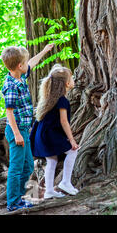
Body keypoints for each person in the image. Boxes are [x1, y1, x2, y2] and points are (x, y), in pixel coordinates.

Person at [1, 44, 54, 211]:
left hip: (24, 130)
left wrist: (44, 51)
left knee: (29, 166)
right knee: (16, 168)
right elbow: (9, 113)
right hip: (16, 132)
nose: (28, 65)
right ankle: (13, 203)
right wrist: (17, 134)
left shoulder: (20, 77)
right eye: (25, 62)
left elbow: (31, 63)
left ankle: (20, 197)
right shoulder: (11, 86)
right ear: (19, 66)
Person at [30, 64, 79, 199]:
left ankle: (49, 191)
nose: (74, 80)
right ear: (67, 83)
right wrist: (71, 140)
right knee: (73, 150)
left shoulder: (48, 99)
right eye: (72, 78)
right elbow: (64, 122)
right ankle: (65, 182)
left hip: (43, 135)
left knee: (51, 160)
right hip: (50, 135)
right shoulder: (62, 100)